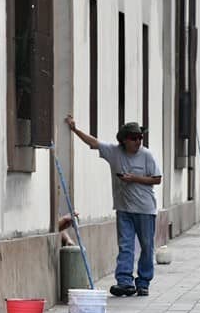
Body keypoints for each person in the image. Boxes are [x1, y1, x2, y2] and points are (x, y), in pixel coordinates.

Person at [65, 115, 162, 297]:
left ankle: (143, 282)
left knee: (147, 246)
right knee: (125, 246)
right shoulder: (114, 152)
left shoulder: (147, 155)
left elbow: (157, 179)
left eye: (140, 137)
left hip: (145, 209)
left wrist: (134, 178)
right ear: (124, 140)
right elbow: (94, 143)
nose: (138, 141)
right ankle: (125, 282)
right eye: (134, 138)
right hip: (123, 208)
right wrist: (75, 129)